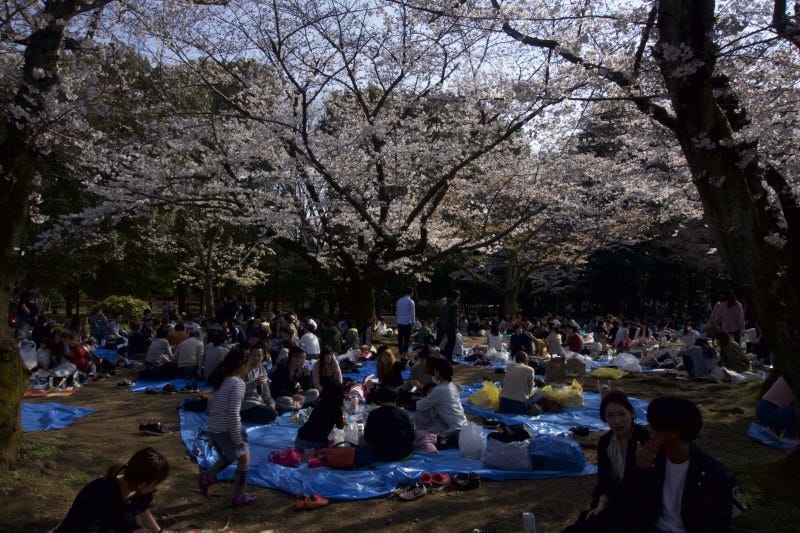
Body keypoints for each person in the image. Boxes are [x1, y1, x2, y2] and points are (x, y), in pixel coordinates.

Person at [624, 396, 734, 532]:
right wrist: (639, 469)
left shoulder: (712, 474)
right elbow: (632, 504)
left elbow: (719, 524)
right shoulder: (654, 460)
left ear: (674, 433)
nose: (649, 429)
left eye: (654, 426)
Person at [565, 390, 650, 532]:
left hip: (637, 504)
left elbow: (646, 481)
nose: (617, 421)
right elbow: (604, 478)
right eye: (610, 416)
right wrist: (603, 502)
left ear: (632, 414)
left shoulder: (643, 438)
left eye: (622, 414)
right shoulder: (606, 442)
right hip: (612, 499)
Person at [54, 447, 169, 533]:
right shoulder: (99, 494)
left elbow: (142, 509)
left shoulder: (139, 491)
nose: (156, 488)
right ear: (142, 484)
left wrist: (157, 531)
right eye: (155, 484)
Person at [198, 348, 258, 507]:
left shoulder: (225, 380)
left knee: (231, 456)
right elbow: (233, 413)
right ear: (242, 365)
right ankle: (239, 496)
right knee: (244, 457)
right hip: (227, 428)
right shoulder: (238, 384)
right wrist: (237, 439)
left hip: (215, 427)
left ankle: (207, 478)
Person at [415, 358, 467, 442]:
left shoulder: (440, 389)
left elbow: (420, 406)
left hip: (454, 429)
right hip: (463, 425)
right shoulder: (452, 386)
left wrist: (418, 400)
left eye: (435, 370)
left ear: (438, 372)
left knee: (422, 431)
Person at [364, 386, 415, 461]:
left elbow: (367, 437)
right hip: (404, 453)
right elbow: (412, 435)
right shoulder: (402, 413)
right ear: (396, 399)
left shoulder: (374, 414)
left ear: (379, 400)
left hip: (381, 454)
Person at [294, 382, 346, 451]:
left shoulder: (320, 403)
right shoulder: (336, 408)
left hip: (300, 440)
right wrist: (342, 419)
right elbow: (340, 426)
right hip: (316, 443)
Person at [270, 346, 319, 413]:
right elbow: (275, 390)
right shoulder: (282, 368)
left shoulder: (300, 369)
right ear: (293, 358)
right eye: (302, 358)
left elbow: (306, 388)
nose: (304, 361)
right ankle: (297, 405)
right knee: (289, 401)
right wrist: (293, 396)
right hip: (282, 397)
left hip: (295, 396)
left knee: (315, 392)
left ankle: (297, 405)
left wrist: (307, 376)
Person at [240, 344, 278, 425]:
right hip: (246, 404)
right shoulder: (244, 369)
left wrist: (271, 404)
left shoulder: (262, 369)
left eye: (259, 355)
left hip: (258, 402)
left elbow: (266, 391)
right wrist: (254, 383)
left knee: (276, 408)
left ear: (263, 356)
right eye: (254, 355)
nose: (256, 358)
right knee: (272, 414)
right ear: (250, 356)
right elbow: (239, 389)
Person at [756, 375, 798, 444]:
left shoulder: (788, 376)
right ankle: (789, 437)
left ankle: (775, 429)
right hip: (768, 411)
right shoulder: (793, 379)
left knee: (793, 409)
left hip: (764, 410)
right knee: (796, 411)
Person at [439, 290, 460, 360]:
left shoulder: (446, 304)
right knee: (452, 342)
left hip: (444, 325)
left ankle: (445, 354)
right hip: (451, 326)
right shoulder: (455, 305)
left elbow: (441, 315)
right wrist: (456, 327)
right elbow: (455, 317)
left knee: (449, 341)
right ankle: (448, 357)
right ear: (456, 297)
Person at [396, 288, 415, 355]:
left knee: (400, 337)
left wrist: (397, 320)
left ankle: (400, 350)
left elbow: (397, 312)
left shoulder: (399, 301)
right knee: (406, 338)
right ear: (411, 293)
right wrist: (413, 322)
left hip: (399, 322)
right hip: (407, 322)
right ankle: (404, 352)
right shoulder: (411, 301)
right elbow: (412, 313)